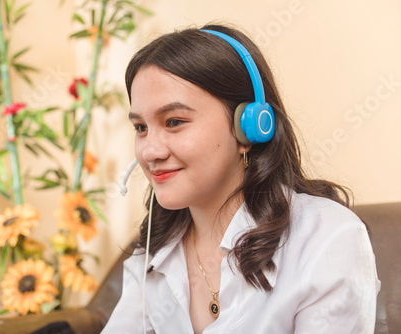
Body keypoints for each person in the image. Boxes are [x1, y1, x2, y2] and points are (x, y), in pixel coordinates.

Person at [102, 23, 380, 333]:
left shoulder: (327, 238)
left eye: (174, 121)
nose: (150, 151)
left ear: (248, 129)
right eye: (140, 127)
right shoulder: (154, 251)